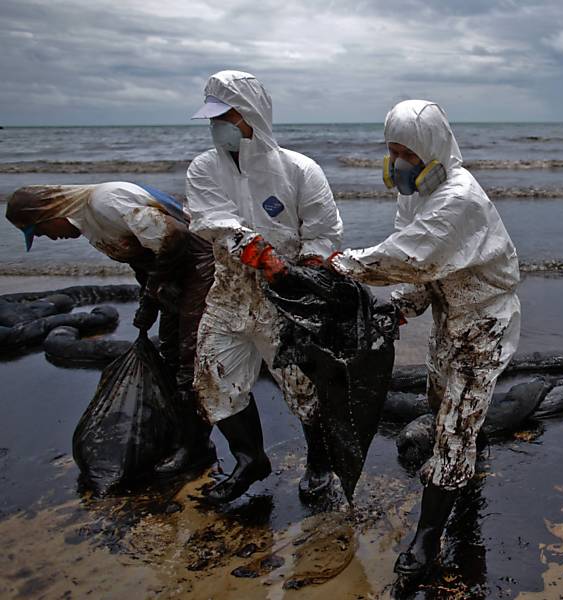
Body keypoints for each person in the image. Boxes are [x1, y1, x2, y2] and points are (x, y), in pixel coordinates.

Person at [329, 100, 521, 576]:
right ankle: (466, 460)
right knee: (439, 404)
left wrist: (339, 265)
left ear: (432, 150)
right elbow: (420, 272)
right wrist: (403, 306)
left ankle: (427, 538)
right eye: (392, 151)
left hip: (484, 320)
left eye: (406, 153)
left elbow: (409, 257)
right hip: (447, 313)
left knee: (454, 426)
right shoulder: (414, 196)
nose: (398, 164)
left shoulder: (459, 197)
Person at [186, 70, 344, 504]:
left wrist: (307, 267)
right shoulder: (204, 168)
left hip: (287, 302)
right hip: (229, 294)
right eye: (213, 118)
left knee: (303, 387)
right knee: (213, 380)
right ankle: (249, 458)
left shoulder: (299, 170)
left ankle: (320, 461)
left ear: (252, 114)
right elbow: (209, 221)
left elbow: (324, 231)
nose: (218, 127)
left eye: (226, 117)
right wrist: (256, 251)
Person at [5, 182, 216, 473]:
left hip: (199, 267)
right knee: (168, 351)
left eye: (40, 231)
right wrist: (148, 302)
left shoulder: (105, 202)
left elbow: (175, 237)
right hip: (175, 273)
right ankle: (183, 437)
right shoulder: (90, 225)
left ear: (48, 213)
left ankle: (198, 448)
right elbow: (144, 259)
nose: (47, 238)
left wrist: (156, 288)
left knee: (189, 359)